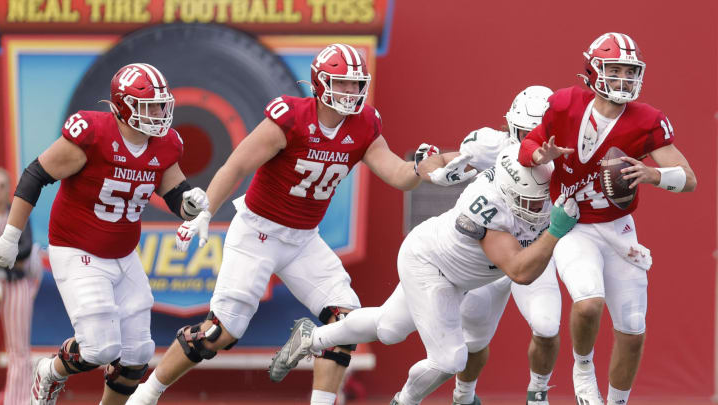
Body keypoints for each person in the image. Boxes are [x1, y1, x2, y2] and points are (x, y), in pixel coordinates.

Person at [126, 43, 448, 405]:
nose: (352, 92)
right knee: (221, 331)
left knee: (346, 322)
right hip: (257, 233)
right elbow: (237, 165)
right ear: (321, 83)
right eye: (342, 84)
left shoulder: (364, 124)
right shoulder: (292, 117)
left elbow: (397, 174)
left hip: (304, 240)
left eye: (356, 84)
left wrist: (421, 168)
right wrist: (206, 211)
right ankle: (146, 395)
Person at [267, 143, 581, 405]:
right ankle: (404, 401)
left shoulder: (535, 175)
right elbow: (519, 271)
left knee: (389, 328)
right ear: (509, 191)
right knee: (449, 359)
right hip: (432, 264)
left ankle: (313, 338)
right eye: (529, 202)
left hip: (459, 272)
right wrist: (554, 231)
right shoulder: (487, 207)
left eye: (541, 200)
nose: (537, 207)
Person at [0, 63, 209, 405]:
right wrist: (10, 236)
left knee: (137, 354)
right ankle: (50, 372)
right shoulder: (93, 134)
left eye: (161, 103)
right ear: (124, 107)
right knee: (99, 348)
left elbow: (175, 196)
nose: (159, 112)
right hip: (77, 248)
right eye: (149, 105)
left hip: (123, 253)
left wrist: (191, 205)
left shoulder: (166, 143)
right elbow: (35, 174)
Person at [517, 32, 697, 405]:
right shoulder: (565, 104)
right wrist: (540, 156)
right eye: (614, 69)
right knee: (587, 302)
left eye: (629, 72)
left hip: (618, 228)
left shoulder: (647, 120)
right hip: (573, 224)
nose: (623, 79)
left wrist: (653, 175)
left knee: (632, 331)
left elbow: (689, 180)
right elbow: (528, 145)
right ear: (593, 70)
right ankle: (583, 367)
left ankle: (616, 402)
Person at [434, 85, 559, 405]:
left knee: (546, 326)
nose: (534, 143)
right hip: (488, 253)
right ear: (511, 126)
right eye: (526, 132)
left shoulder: (565, 157)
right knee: (474, 340)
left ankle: (538, 394)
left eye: (543, 133)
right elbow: (453, 164)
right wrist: (431, 168)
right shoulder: (492, 145)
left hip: (534, 249)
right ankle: (464, 396)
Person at [0, 168, 44, 405]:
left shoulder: (18, 215)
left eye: (2, 186)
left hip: (16, 285)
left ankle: (17, 401)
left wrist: (6, 264)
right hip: (2, 281)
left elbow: (25, 250)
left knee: (18, 349)